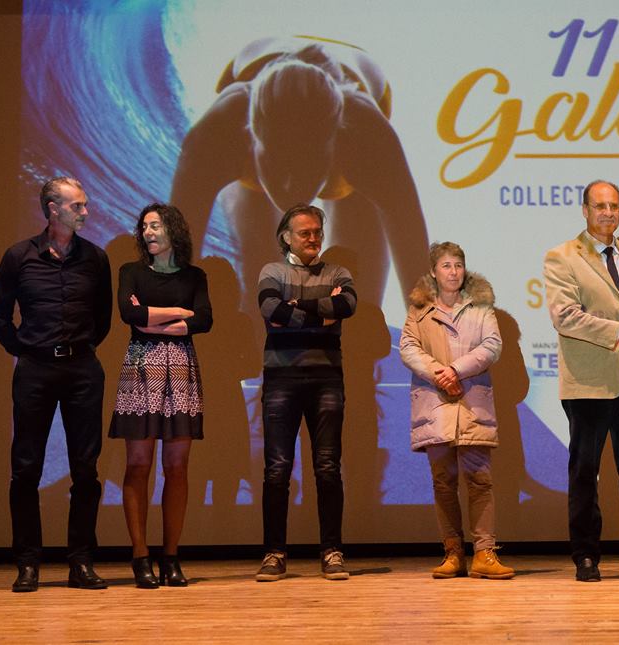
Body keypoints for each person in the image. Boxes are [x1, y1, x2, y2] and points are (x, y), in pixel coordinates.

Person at [170, 36, 428, 311]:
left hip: (356, 87)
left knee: (358, 306)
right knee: (257, 288)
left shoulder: (368, 141)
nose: (291, 186)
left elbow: (416, 266)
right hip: (259, 77)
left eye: (308, 167)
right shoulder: (217, 137)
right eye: (278, 165)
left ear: (335, 144)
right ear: (251, 137)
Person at [0, 177, 112, 592]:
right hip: (36, 369)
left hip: (82, 370)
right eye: (78, 206)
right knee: (26, 468)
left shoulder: (95, 258)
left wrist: (78, 350)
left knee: (86, 470)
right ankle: (27, 563)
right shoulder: (18, 256)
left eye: (85, 204)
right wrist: (28, 351)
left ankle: (81, 562)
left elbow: (102, 320)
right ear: (53, 209)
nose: (85, 212)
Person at [543, 179, 619, 583]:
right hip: (589, 380)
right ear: (585, 210)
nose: (608, 213)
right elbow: (565, 317)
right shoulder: (562, 257)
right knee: (585, 472)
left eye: (614, 206)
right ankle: (586, 556)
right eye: (600, 206)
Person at [109, 203, 213, 588]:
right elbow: (129, 314)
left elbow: (204, 319)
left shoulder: (194, 276)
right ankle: (140, 556)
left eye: (155, 225)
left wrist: (155, 319)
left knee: (177, 467)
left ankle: (171, 557)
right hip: (141, 368)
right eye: (144, 227)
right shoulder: (131, 272)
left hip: (181, 370)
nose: (148, 232)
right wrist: (179, 313)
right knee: (138, 464)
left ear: (173, 230)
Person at [254, 203, 357, 581]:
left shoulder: (338, 272)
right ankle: (274, 554)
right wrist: (320, 314)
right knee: (277, 469)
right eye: (305, 233)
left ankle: (332, 551)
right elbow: (271, 309)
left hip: (327, 378)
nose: (313, 238)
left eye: (317, 232)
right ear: (286, 237)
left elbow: (347, 305)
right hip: (281, 379)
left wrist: (297, 306)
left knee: (327, 467)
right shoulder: (272, 271)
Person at [400, 242, 514, 580]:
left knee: (480, 479)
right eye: (446, 266)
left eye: (458, 265)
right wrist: (440, 374)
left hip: (471, 402)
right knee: (443, 481)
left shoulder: (481, 307)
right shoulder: (419, 310)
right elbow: (408, 347)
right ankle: (453, 553)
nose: (453, 272)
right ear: (434, 272)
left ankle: (484, 553)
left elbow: (492, 345)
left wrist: (456, 370)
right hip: (435, 402)